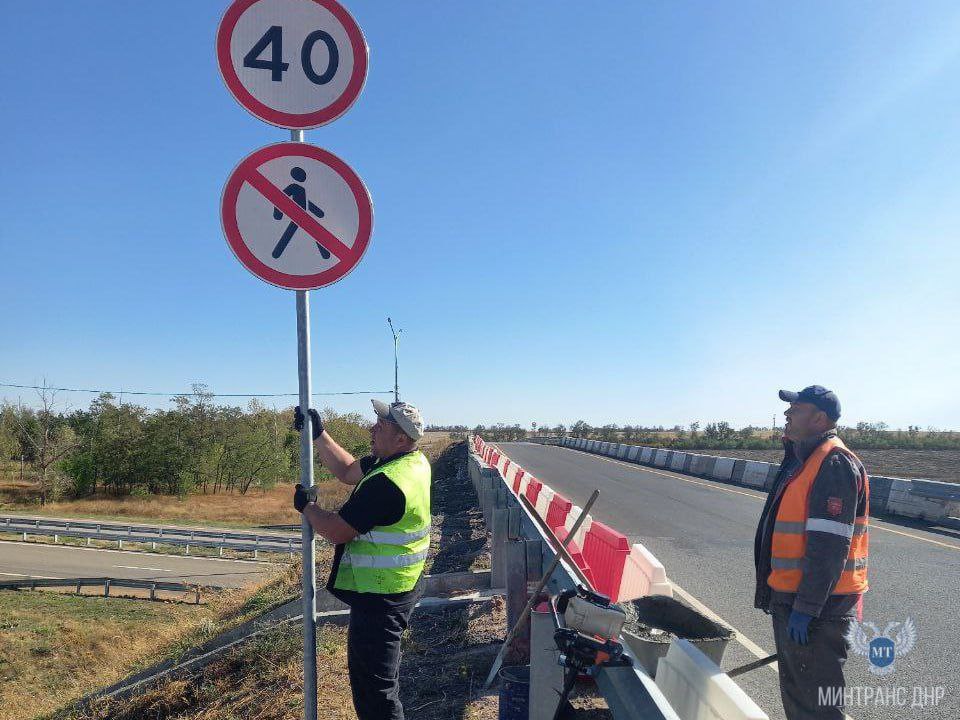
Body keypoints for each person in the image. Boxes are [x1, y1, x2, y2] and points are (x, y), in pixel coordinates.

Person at [292, 399, 431, 720]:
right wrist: (319, 435)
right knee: (375, 685)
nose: (372, 428)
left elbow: (336, 531)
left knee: (376, 693)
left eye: (380, 426)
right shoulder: (410, 461)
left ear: (400, 438)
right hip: (397, 586)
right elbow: (346, 470)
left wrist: (307, 506)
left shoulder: (387, 483)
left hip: (382, 599)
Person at [754, 385, 869, 720]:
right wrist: (792, 448)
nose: (787, 414)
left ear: (819, 418)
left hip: (818, 609)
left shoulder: (833, 463)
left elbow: (829, 546)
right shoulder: (807, 459)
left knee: (817, 707)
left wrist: (806, 608)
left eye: (797, 409)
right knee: (799, 698)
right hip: (796, 600)